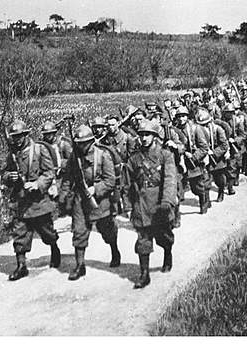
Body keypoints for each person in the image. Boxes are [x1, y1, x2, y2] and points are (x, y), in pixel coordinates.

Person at [59, 125, 120, 281]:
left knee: (107, 230)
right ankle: (80, 265)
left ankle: (114, 249)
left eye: (84, 143)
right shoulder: (74, 157)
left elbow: (110, 180)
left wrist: (96, 189)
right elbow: (68, 178)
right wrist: (63, 196)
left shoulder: (103, 155)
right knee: (79, 231)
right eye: (78, 143)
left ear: (91, 141)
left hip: (100, 201)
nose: (81, 146)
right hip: (80, 199)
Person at [2, 120, 61, 281]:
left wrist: (37, 184)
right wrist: (10, 177)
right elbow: (5, 173)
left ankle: (54, 248)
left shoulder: (39, 150)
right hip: (21, 201)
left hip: (38, 201)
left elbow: (49, 173)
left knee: (46, 232)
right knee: (20, 233)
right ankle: (21, 265)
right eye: (15, 137)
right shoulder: (12, 154)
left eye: (20, 136)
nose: (18, 139)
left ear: (26, 135)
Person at [125, 120, 177, 289]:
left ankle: (167, 253)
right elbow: (126, 184)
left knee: (164, 237)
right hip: (141, 203)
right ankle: (144, 274)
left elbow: (170, 179)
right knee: (143, 239)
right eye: (141, 135)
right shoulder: (134, 159)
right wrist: (127, 206)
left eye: (148, 135)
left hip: (160, 203)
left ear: (155, 137)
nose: (144, 138)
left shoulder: (165, 155)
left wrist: (167, 201)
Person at [174, 106, 210, 214]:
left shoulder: (195, 129)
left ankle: (204, 201)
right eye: (179, 116)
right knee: (177, 187)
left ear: (187, 116)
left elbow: (204, 148)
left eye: (183, 116)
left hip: (193, 163)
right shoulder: (174, 130)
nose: (181, 119)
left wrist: (193, 157)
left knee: (196, 188)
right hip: (180, 163)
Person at [196, 109, 229, 203]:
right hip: (204, 158)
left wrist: (213, 153)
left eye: (206, 124)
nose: (204, 126)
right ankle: (206, 201)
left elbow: (224, 145)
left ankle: (221, 191)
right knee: (205, 180)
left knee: (219, 179)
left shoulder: (218, 129)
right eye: (202, 125)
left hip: (217, 158)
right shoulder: (198, 131)